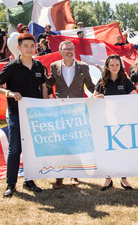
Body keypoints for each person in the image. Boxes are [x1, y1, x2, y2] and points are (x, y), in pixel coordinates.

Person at [0, 33, 48, 197]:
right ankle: (11, 184)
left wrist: (45, 105)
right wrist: (10, 93)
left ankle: (29, 181)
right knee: (15, 150)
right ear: (19, 48)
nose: (29, 49)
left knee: (31, 149)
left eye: (32, 46)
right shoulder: (11, 66)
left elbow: (44, 87)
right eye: (25, 46)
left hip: (34, 115)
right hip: (15, 113)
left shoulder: (39, 66)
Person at [45, 40, 95, 189]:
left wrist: (100, 93)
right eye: (66, 49)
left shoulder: (83, 67)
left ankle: (74, 174)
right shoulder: (54, 67)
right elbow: (49, 83)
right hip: (60, 110)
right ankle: (59, 177)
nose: (69, 51)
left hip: (77, 110)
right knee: (61, 143)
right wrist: (41, 76)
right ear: (60, 52)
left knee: (75, 142)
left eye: (71, 48)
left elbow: (91, 86)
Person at [93, 54, 136, 191]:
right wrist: (97, 97)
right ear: (107, 66)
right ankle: (108, 179)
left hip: (122, 121)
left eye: (117, 65)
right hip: (106, 122)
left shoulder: (126, 81)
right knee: (107, 150)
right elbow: (93, 98)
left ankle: (124, 179)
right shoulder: (102, 81)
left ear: (120, 66)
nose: (114, 67)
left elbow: (135, 98)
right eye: (112, 65)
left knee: (123, 150)